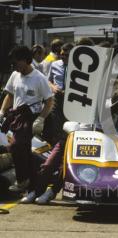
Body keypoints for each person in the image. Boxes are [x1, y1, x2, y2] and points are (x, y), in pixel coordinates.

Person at [0, 45, 54, 193]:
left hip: (31, 118)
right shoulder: (15, 75)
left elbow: (49, 101)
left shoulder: (39, 78)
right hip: (15, 116)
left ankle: (23, 180)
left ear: (25, 60)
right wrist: (2, 111)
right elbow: (10, 95)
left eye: (16, 62)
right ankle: (34, 182)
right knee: (18, 149)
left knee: (18, 145)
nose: (14, 65)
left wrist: (41, 119)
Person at [44, 43, 75, 145]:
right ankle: (57, 148)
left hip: (71, 100)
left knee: (70, 127)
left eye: (67, 55)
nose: (63, 57)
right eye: (62, 54)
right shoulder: (55, 64)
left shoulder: (78, 67)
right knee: (57, 126)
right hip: (57, 99)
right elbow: (48, 81)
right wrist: (53, 87)